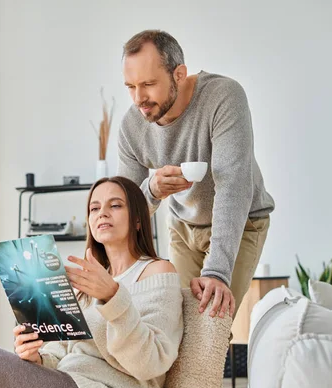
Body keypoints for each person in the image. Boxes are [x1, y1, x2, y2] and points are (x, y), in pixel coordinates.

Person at [0, 176, 183, 388]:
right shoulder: (85, 282)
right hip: (63, 380)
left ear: (138, 220)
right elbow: (60, 353)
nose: (102, 212)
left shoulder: (157, 271)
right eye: (94, 208)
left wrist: (113, 297)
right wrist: (37, 357)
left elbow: (151, 363)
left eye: (115, 205)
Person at [118, 29, 275, 321]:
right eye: (130, 86)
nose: (139, 98)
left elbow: (232, 184)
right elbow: (124, 209)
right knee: (175, 326)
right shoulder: (132, 127)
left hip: (241, 223)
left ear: (179, 74)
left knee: (210, 327)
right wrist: (151, 190)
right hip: (183, 226)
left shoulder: (223, 96)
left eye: (149, 84)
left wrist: (216, 273)